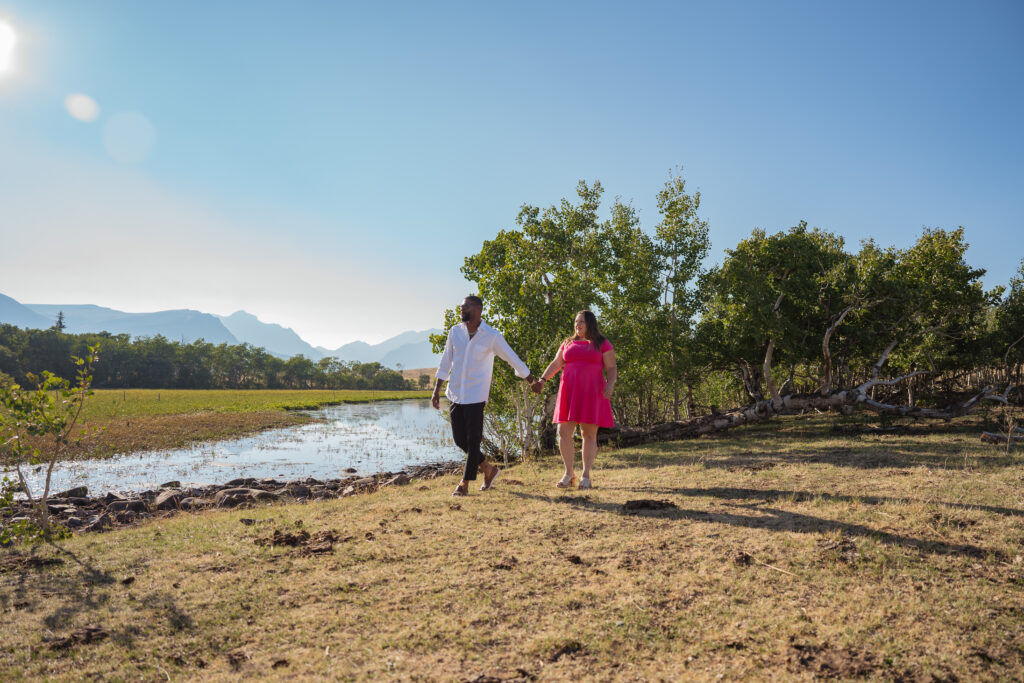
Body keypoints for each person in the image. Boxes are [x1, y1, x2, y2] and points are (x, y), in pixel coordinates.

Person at [432, 295, 539, 497]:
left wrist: (531, 380)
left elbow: (512, 358)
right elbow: (446, 361)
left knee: (473, 441)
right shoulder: (455, 332)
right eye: (461, 308)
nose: (461, 311)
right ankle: (489, 469)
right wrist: (436, 390)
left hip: (475, 395)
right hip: (455, 394)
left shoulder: (492, 336)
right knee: (459, 440)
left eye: (465, 308)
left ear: (478, 309)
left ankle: (464, 483)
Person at [537, 310, 616, 489]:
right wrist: (542, 380)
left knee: (588, 434)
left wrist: (610, 385)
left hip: (592, 391)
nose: (577, 325)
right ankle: (568, 473)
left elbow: (611, 367)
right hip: (569, 392)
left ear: (590, 323)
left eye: (581, 322)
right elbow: (557, 363)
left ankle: (585, 476)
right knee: (563, 432)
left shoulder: (602, 343)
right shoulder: (568, 342)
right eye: (575, 322)